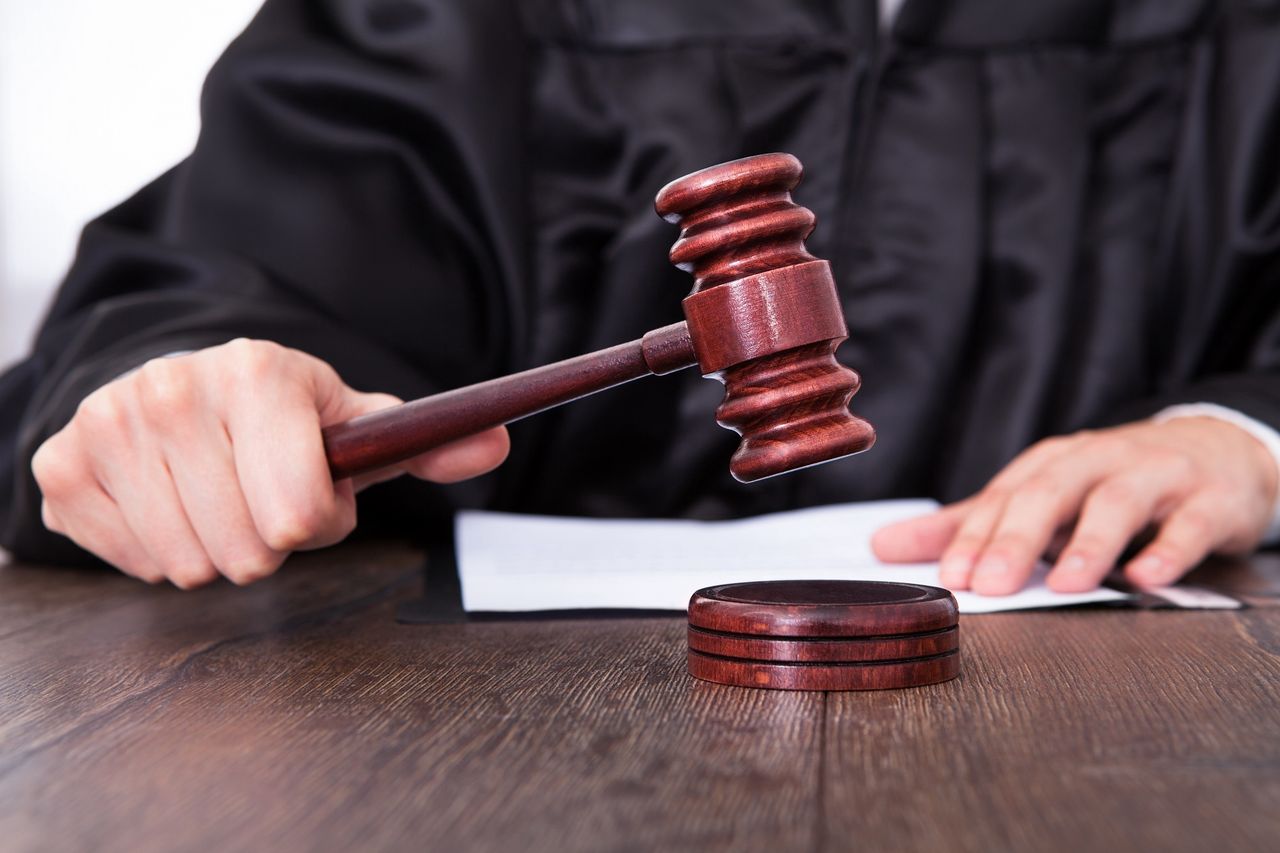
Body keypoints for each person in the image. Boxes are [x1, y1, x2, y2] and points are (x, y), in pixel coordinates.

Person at [2, 0, 1278, 596]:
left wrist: (1241, 436)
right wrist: (183, 384)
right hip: (469, 755)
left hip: (1092, 724)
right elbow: (242, 268)